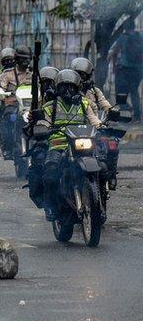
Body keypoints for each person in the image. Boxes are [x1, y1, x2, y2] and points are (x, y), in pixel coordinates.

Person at [29, 69, 101, 221]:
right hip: (58, 144)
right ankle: (51, 207)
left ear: (77, 88)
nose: (67, 91)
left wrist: (102, 127)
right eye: (63, 87)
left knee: (103, 166)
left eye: (71, 87)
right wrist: (43, 128)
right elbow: (43, 122)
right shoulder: (50, 106)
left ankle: (99, 203)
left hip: (81, 143)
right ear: (57, 89)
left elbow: (94, 121)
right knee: (50, 174)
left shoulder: (84, 103)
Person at [108, 20, 143, 122]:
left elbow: (115, 52)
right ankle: (137, 116)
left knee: (121, 91)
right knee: (134, 91)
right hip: (139, 69)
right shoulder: (140, 36)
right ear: (134, 26)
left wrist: (114, 66)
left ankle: (126, 113)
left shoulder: (123, 37)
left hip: (126, 69)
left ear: (125, 27)